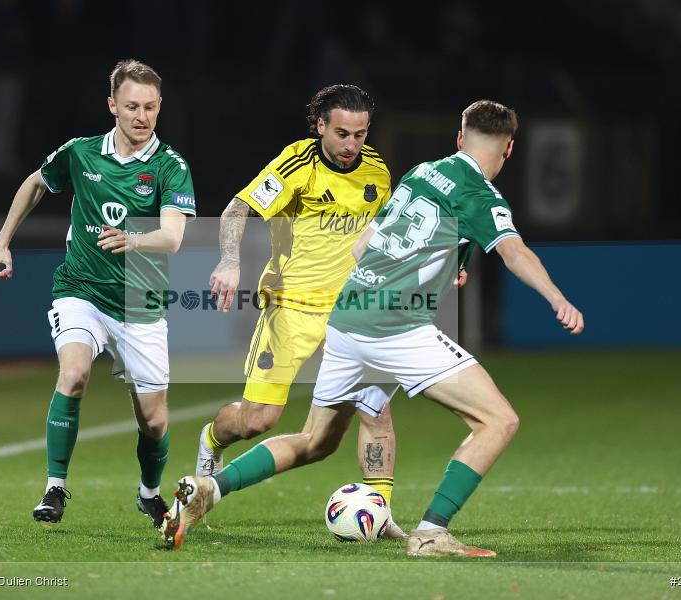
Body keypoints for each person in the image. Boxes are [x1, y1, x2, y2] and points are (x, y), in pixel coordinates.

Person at [163, 100, 584, 556]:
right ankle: (431, 532)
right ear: (509, 150)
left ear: (460, 139)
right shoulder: (480, 195)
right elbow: (515, 252)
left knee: (317, 440)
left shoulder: (420, 173)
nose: (352, 143)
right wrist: (557, 298)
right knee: (498, 420)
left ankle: (210, 489)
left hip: (346, 317)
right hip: (389, 325)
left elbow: (366, 245)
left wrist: (438, 264)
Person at [189, 84, 406, 543]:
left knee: (374, 410)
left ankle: (380, 510)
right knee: (258, 420)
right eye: (342, 133)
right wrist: (229, 260)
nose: (352, 145)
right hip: (290, 309)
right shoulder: (296, 165)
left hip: (350, 312)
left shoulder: (378, 170)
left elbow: (388, 232)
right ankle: (212, 438)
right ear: (320, 125)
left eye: (361, 134)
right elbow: (237, 208)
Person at [0, 59, 196, 529]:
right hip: (80, 291)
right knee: (75, 372)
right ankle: (55, 488)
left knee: (155, 422)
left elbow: (174, 237)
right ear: (112, 106)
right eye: (131, 107)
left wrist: (134, 240)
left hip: (141, 303)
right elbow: (36, 184)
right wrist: (2, 241)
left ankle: (148, 493)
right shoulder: (81, 153)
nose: (141, 117)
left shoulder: (170, 166)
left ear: (160, 107)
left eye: (149, 107)